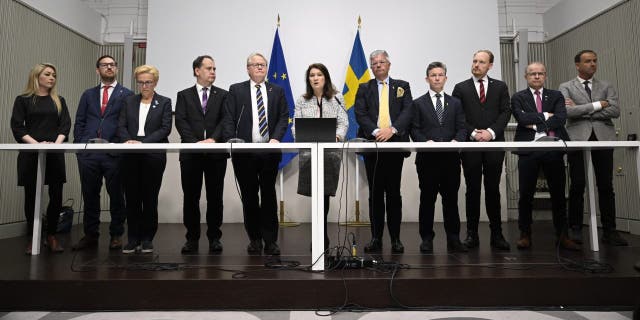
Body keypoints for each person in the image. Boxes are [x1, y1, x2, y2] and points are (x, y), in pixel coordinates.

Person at [222, 53, 289, 256]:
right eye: (255, 65)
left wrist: (276, 138)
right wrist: (231, 139)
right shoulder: (236, 90)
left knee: (268, 195)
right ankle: (254, 239)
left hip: (269, 151)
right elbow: (228, 118)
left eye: (263, 65)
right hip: (245, 152)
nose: (260, 68)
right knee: (249, 197)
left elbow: (283, 117)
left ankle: (271, 241)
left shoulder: (276, 90)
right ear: (248, 68)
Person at [559, 50, 628, 246]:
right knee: (577, 184)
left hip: (603, 138)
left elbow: (615, 111)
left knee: (606, 185)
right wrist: (598, 105)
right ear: (577, 65)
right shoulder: (565, 86)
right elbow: (567, 112)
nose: (593, 64)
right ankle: (575, 228)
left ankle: (610, 230)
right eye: (588, 61)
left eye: (595, 61)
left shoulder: (606, 85)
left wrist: (584, 110)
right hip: (577, 139)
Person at [511, 62, 580, 251]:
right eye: (532, 73)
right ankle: (525, 234)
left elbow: (560, 119)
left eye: (540, 73)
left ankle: (563, 235)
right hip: (528, 151)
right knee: (526, 195)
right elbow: (521, 119)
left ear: (545, 76)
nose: (536, 76)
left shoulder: (556, 95)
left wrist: (536, 123)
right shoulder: (518, 97)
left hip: (553, 150)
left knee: (558, 195)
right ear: (526, 76)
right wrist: (545, 115)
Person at [452, 50, 511, 251]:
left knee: (493, 190)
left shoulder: (501, 87)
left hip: (494, 144)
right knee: (473, 190)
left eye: (481, 62)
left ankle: (497, 234)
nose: (476, 64)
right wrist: (474, 133)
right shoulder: (460, 88)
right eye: (475, 61)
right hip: (471, 146)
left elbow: (505, 112)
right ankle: (472, 235)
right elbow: (457, 116)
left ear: (490, 66)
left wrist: (491, 132)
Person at [72, 55, 133, 251]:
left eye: (112, 65)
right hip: (88, 152)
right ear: (97, 70)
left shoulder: (127, 94)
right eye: (105, 65)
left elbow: (127, 123)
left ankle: (116, 235)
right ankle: (90, 234)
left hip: (114, 152)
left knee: (116, 195)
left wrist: (120, 146)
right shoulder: (88, 94)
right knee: (90, 195)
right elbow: (80, 121)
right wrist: (79, 147)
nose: (109, 67)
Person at [355, 50, 413, 254]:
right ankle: (376, 238)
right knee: (375, 194)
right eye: (374, 63)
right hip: (372, 147)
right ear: (371, 67)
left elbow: (408, 111)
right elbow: (360, 113)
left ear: (389, 65)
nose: (378, 65)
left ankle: (396, 239)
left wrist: (392, 130)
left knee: (394, 194)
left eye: (382, 62)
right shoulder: (364, 88)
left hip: (395, 146)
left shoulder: (402, 86)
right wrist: (377, 131)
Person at [10, 63, 71, 254]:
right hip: (31, 153)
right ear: (37, 76)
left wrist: (55, 144)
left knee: (56, 194)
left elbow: (65, 126)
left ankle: (51, 235)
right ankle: (33, 236)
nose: (52, 78)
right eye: (47, 74)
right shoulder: (23, 100)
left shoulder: (59, 100)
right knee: (31, 196)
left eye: (54, 74)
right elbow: (18, 127)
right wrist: (37, 144)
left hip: (54, 153)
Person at [410, 62, 467, 254]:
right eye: (433, 75)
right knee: (427, 200)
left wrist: (456, 141)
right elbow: (414, 128)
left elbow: (462, 127)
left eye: (440, 75)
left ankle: (454, 238)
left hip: (450, 159)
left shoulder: (456, 103)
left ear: (445, 78)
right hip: (427, 160)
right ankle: (426, 238)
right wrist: (424, 142)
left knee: (451, 200)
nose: (436, 78)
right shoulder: (418, 103)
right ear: (427, 79)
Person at [175, 55, 228, 254]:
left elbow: (225, 121)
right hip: (191, 154)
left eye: (214, 68)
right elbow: (180, 121)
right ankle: (192, 239)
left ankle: (214, 237)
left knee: (215, 198)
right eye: (208, 68)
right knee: (191, 197)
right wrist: (194, 143)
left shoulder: (223, 95)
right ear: (197, 71)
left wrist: (213, 140)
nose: (213, 72)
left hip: (216, 154)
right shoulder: (184, 95)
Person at [292, 63, 349, 250]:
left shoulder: (337, 98)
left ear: (326, 77)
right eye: (311, 75)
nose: (315, 78)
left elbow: (343, 122)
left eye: (319, 74)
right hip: (309, 153)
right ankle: (318, 234)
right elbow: (295, 126)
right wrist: (299, 136)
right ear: (308, 79)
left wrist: (338, 136)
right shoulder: (302, 100)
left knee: (325, 195)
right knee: (315, 195)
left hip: (330, 153)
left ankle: (322, 235)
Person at [117, 65, 172, 254]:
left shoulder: (164, 102)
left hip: (153, 155)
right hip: (130, 154)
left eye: (148, 82)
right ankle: (133, 238)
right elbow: (121, 126)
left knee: (149, 197)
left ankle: (147, 238)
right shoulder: (128, 101)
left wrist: (143, 143)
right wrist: (129, 140)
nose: (144, 86)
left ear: (155, 82)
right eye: (140, 82)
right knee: (132, 197)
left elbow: (165, 129)